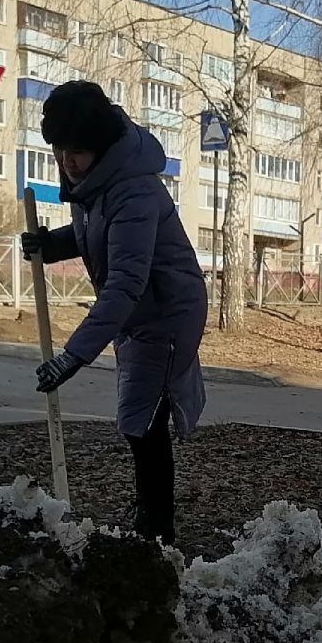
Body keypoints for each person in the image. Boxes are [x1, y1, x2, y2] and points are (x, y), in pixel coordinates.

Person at [26, 81, 206, 545]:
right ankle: (151, 513)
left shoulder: (134, 192)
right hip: (139, 312)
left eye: (78, 150)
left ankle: (158, 531)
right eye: (61, 149)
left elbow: (126, 280)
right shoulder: (96, 187)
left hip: (165, 311)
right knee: (140, 419)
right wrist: (52, 244)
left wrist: (73, 356)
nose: (68, 160)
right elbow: (97, 234)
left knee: (141, 418)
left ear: (102, 147)